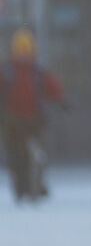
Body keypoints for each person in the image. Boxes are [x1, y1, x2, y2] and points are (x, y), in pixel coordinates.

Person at [0, 29, 65, 200]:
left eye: (26, 49)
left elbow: (52, 88)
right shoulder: (6, 71)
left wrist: (61, 100)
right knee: (16, 155)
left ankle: (38, 182)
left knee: (40, 152)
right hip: (12, 119)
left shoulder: (38, 71)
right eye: (20, 50)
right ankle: (21, 187)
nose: (23, 53)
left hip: (35, 118)